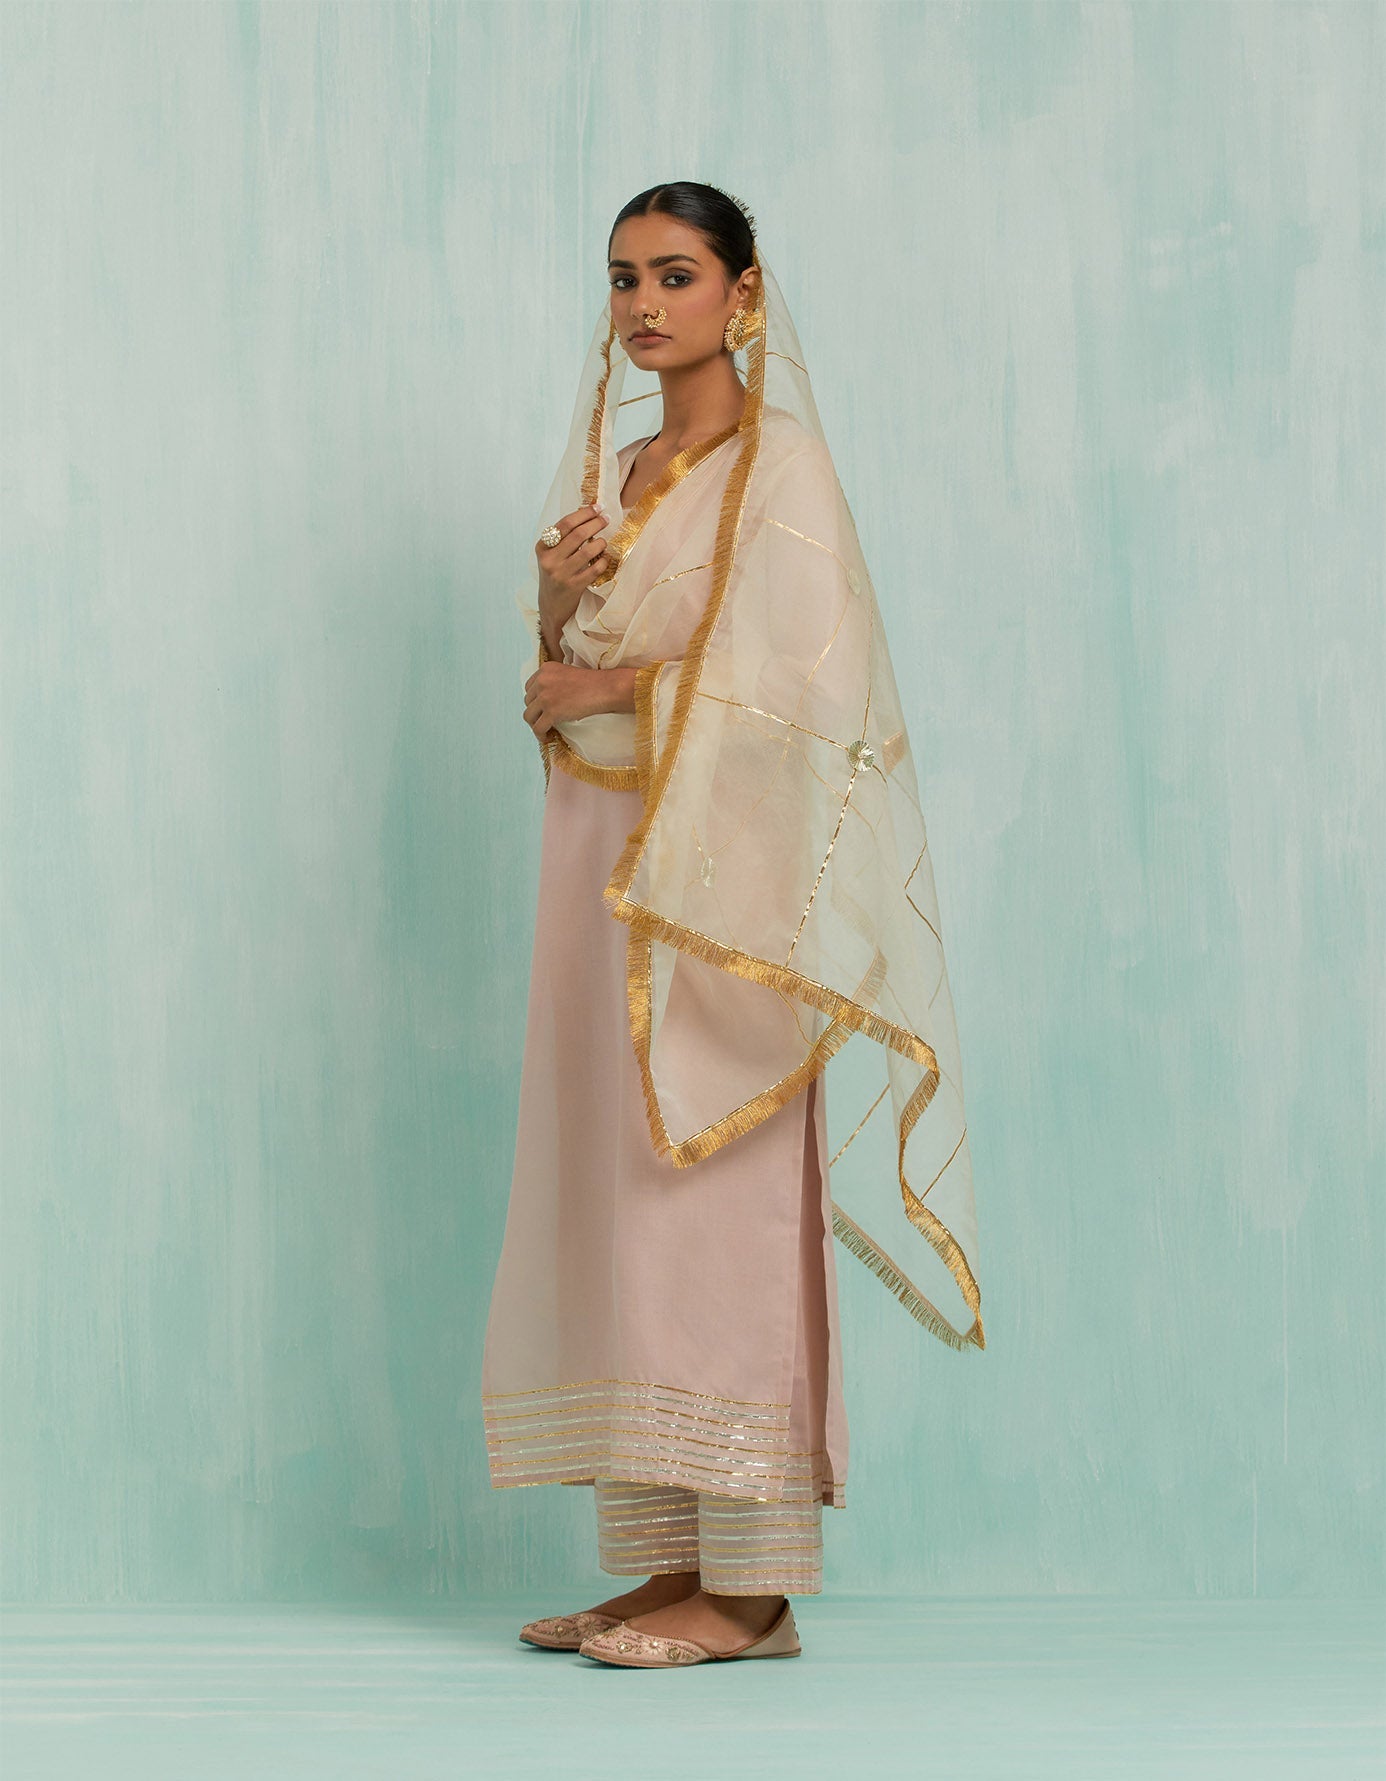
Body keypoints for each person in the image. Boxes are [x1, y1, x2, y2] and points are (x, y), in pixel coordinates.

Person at [481, 182, 984, 1671]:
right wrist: (551, 604)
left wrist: (600, 689)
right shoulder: (625, 470)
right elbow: (569, 672)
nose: (643, 305)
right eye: (623, 278)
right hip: (602, 868)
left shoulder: (784, 469)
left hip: (727, 894)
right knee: (625, 1202)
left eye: (677, 275)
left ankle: (753, 1590)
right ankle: (666, 1568)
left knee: (723, 1206)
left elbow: (805, 699)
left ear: (743, 295)